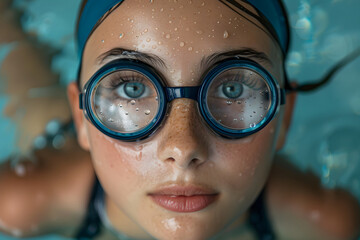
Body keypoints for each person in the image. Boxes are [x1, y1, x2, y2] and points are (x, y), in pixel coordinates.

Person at [1, 0, 360, 239]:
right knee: (27, 89)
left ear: (286, 114)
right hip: (59, 150)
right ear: (82, 117)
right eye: (131, 89)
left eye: (232, 89)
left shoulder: (325, 222)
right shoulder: (21, 202)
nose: (183, 148)